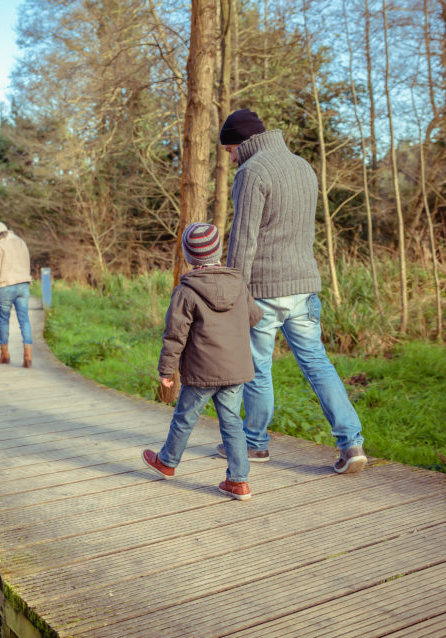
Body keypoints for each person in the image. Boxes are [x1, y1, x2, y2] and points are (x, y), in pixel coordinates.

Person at [219, 107, 367, 473]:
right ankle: (352, 444)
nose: (231, 157)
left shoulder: (251, 172)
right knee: (318, 364)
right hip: (304, 288)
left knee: (258, 368)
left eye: (230, 150)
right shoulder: (303, 166)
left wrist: (233, 292)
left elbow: (243, 240)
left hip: (265, 290)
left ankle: (254, 444)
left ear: (243, 141)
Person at [142, 223, 262, 500]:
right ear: (218, 251)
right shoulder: (237, 282)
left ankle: (167, 462)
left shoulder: (186, 290)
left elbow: (175, 335)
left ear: (189, 256)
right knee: (232, 423)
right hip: (235, 370)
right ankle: (239, 481)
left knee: (184, 418)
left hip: (202, 372)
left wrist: (166, 369)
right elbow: (255, 317)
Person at [0, 217, 34, 367]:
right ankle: (28, 356)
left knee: (4, 321)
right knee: (24, 320)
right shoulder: (20, 242)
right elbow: (27, 262)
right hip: (23, 285)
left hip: (5, 286)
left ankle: (5, 355)